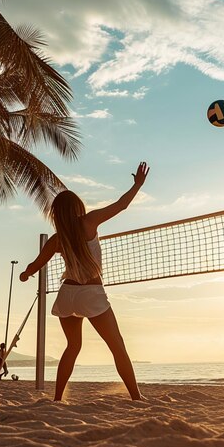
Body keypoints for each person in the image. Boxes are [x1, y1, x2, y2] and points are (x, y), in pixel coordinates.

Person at [19, 162, 149, 402]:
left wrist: (25, 274)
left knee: (72, 347)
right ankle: (136, 397)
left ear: (57, 213)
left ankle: (58, 398)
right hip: (91, 293)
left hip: (67, 295)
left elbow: (36, 264)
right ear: (77, 207)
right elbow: (122, 205)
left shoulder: (57, 239)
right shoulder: (89, 222)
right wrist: (137, 185)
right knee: (117, 346)